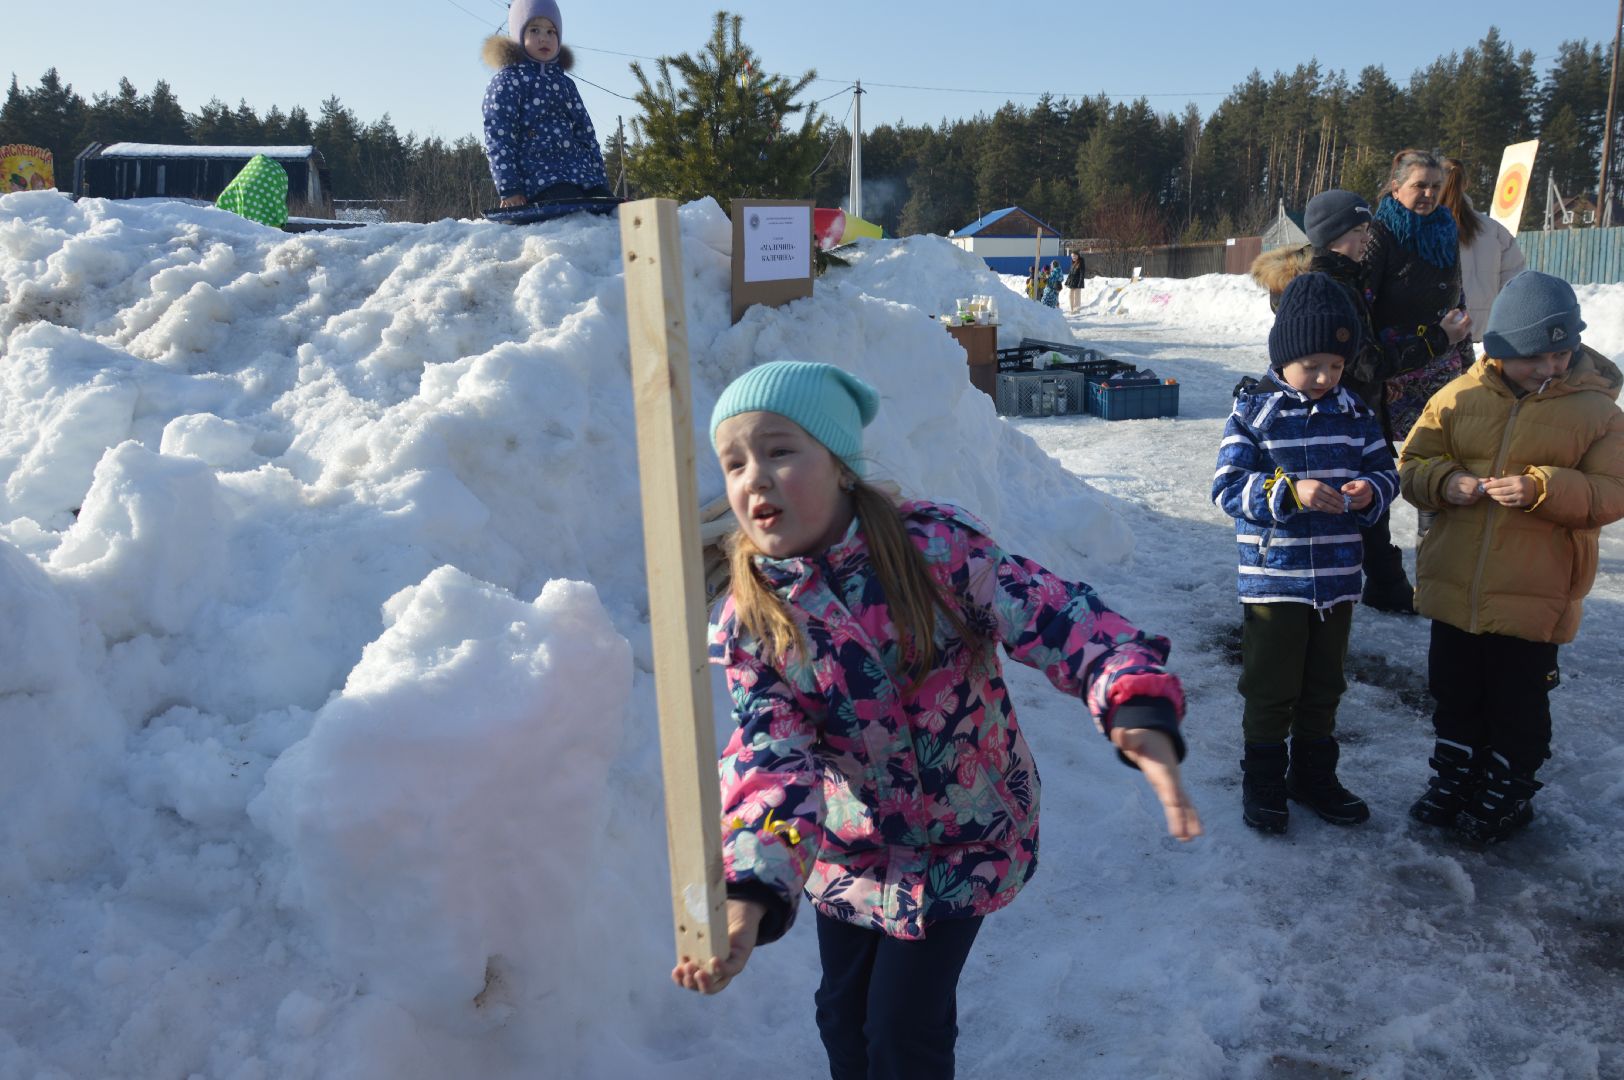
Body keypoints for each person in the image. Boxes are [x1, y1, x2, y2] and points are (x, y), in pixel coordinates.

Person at [672, 360, 1201, 1079]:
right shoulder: (755, 620)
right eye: (733, 463)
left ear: (841, 466)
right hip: (851, 853)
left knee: (901, 1034)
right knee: (843, 1022)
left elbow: (1054, 614)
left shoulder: (934, 551)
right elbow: (771, 761)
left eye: (780, 449)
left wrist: (1131, 695)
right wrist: (751, 893)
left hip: (963, 840)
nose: (753, 477)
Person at [1399, 271, 1624, 845]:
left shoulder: (1597, 411)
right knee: (1455, 692)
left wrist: (1543, 488)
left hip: (1535, 593)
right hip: (1456, 588)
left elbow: (1612, 492)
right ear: (1500, 350)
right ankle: (1455, 775)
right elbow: (1413, 465)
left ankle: (1508, 788)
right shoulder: (1457, 397)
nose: (1549, 367)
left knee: (1518, 702)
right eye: (1535, 357)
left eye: (1562, 352)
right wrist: (1445, 483)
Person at [1212, 273, 1399, 834]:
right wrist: (1288, 492)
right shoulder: (1255, 412)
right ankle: (1264, 778)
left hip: (1338, 579)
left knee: (1324, 684)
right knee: (1271, 687)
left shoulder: (1356, 414)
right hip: (1276, 580)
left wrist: (1373, 492)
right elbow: (1226, 487)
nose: (1324, 377)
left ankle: (1313, 774)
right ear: (1284, 356)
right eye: (1312, 365)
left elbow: (1386, 471)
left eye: (1336, 366)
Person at [1362, 148, 1474, 447]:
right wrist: (1374, 369)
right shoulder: (1380, 233)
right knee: (1404, 455)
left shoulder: (1446, 228)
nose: (1429, 193)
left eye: (1436, 186)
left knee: (1443, 448)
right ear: (1396, 188)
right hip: (1399, 366)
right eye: (1419, 185)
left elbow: (1457, 294)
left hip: (1443, 361)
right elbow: (1365, 302)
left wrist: (1466, 362)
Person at [480, 0, 611, 209]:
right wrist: (510, 188)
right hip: (539, 179)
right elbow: (499, 136)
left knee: (606, 206)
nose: (544, 37)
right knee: (571, 204)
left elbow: (586, 134)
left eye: (551, 32)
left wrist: (600, 180)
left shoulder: (566, 84)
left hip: (582, 175)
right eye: (534, 30)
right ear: (518, 37)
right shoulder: (509, 81)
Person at [1440, 156, 1527, 343]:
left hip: (1439, 333)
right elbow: (1515, 284)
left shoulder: (1423, 227)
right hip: (1486, 334)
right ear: (1467, 184)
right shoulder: (1494, 230)